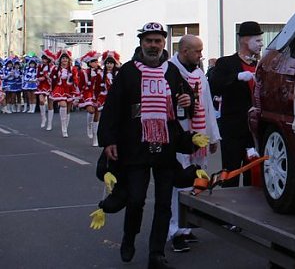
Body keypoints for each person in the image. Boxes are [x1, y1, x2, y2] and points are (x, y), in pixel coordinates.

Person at [98, 21, 194, 269]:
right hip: (135, 146)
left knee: (163, 203)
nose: (153, 46)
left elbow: (186, 99)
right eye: (149, 41)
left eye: (158, 41)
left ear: (164, 44)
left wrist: (187, 100)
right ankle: (129, 238)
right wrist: (109, 140)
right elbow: (112, 108)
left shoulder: (172, 72)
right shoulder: (128, 71)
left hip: (165, 148)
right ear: (141, 43)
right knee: (136, 199)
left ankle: (156, 254)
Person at [167, 34, 220, 253]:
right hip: (177, 137)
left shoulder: (199, 73)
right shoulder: (167, 70)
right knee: (177, 184)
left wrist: (213, 136)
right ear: (185, 51)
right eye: (197, 51)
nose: (201, 55)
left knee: (194, 180)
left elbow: (207, 106)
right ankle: (174, 231)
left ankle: (186, 227)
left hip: (198, 136)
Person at [209, 21, 263, 187]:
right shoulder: (226, 63)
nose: (261, 44)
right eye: (258, 40)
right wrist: (236, 78)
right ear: (246, 40)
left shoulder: (261, 65)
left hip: (255, 129)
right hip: (233, 127)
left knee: (252, 171)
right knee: (230, 170)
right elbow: (214, 85)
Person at [49, 51, 79, 136]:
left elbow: (76, 79)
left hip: (69, 89)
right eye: (63, 58)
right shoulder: (56, 68)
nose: (64, 60)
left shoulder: (73, 69)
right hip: (59, 88)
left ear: (69, 60)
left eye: (66, 58)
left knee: (68, 109)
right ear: (60, 60)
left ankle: (66, 125)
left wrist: (74, 80)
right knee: (63, 105)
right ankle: (64, 129)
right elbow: (52, 78)